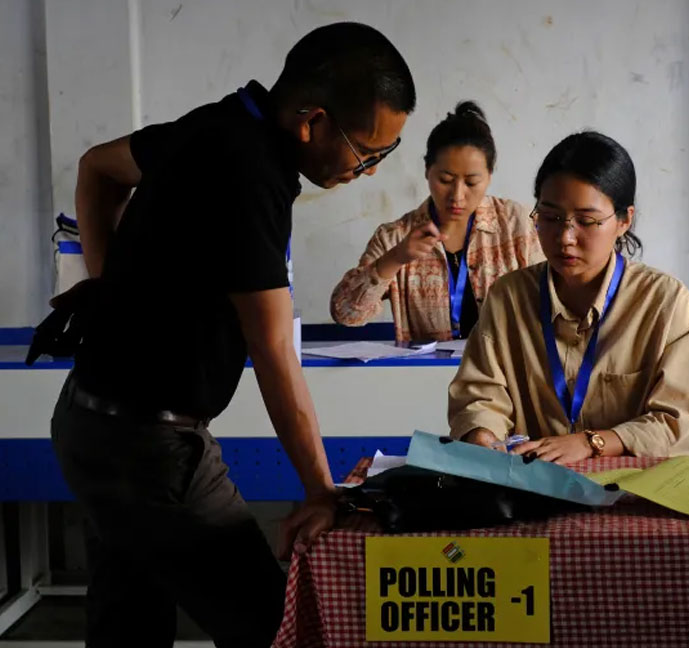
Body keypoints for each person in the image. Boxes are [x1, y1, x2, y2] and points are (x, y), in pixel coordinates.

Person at [50, 23, 415, 647]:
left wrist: (111, 288)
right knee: (274, 629)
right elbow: (274, 352)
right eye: (367, 153)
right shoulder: (252, 177)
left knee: (128, 624)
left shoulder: (217, 123)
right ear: (313, 122)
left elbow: (97, 169)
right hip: (151, 448)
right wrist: (320, 491)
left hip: (91, 424)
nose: (370, 170)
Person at [448, 131, 689, 462]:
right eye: (549, 217)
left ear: (623, 221)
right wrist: (482, 436)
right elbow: (479, 396)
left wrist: (594, 442)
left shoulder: (665, 303)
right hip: (543, 489)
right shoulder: (509, 298)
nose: (565, 237)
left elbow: (677, 420)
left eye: (586, 221)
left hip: (644, 486)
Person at [330, 101, 542, 342]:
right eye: (445, 179)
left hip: (506, 373)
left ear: (489, 176)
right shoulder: (396, 236)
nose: (457, 195)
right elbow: (345, 314)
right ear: (427, 171)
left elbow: (552, 299)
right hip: (429, 376)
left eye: (472, 182)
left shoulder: (516, 224)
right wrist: (396, 258)